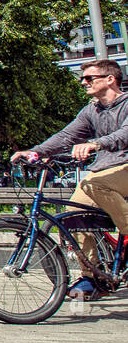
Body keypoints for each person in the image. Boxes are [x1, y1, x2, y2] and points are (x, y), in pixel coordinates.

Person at [12, 58, 128, 300]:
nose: (83, 82)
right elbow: (66, 136)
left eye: (89, 78)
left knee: (96, 183)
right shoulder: (91, 110)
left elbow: (124, 134)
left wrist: (96, 143)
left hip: (123, 167)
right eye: (82, 78)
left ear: (110, 79)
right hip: (102, 172)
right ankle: (92, 278)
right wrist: (35, 152)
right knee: (74, 215)